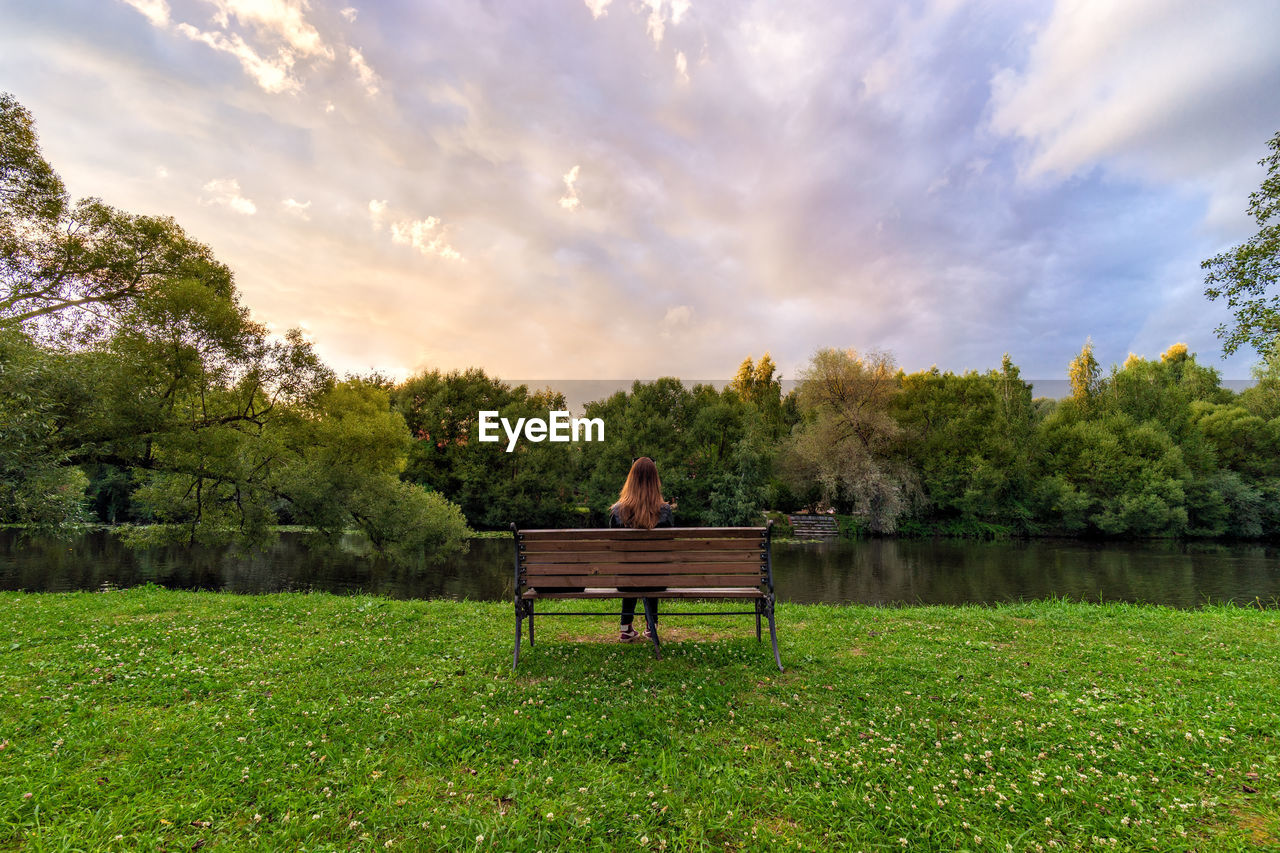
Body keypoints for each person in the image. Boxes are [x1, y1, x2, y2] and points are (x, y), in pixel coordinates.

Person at [610, 457, 674, 642]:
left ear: (630, 480)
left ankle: (625, 628)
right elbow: (668, 546)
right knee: (651, 567)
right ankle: (651, 626)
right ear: (656, 482)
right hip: (657, 580)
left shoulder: (617, 512)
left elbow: (615, 549)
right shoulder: (665, 511)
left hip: (625, 580)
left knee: (630, 568)